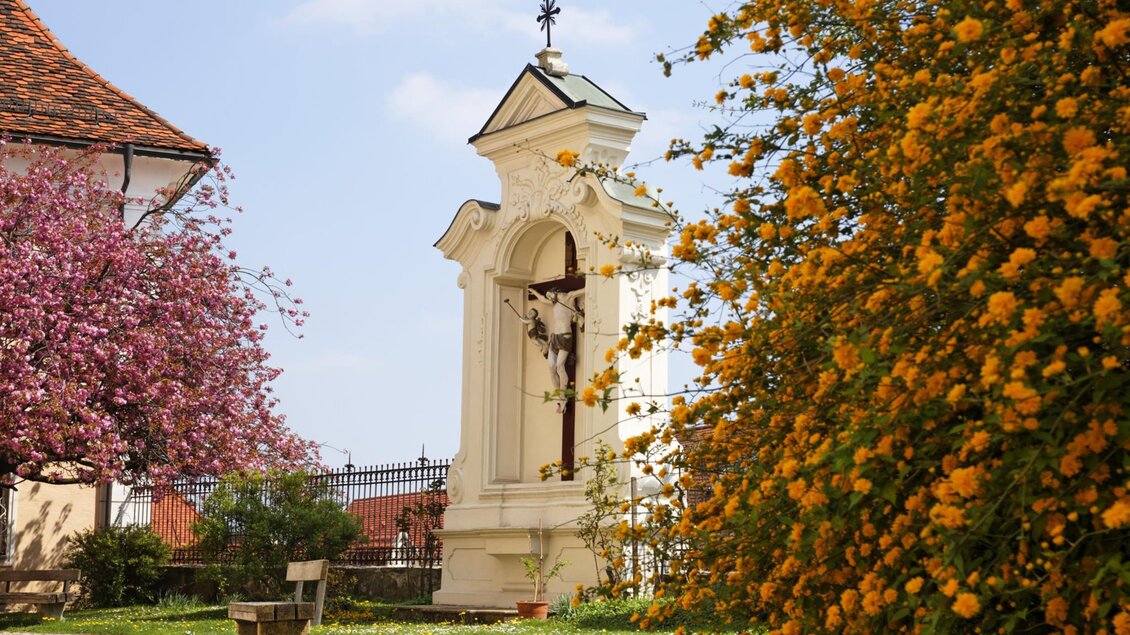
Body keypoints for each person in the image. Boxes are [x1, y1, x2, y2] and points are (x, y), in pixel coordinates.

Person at [527, 287, 584, 411]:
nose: (549, 298)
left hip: (565, 337)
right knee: (551, 367)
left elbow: (583, 290)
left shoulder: (568, 297)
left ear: (556, 292)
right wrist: (535, 292)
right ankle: (560, 395)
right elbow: (542, 299)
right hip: (554, 338)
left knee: (559, 367)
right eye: (548, 297)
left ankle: (564, 396)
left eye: (550, 295)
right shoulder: (554, 301)